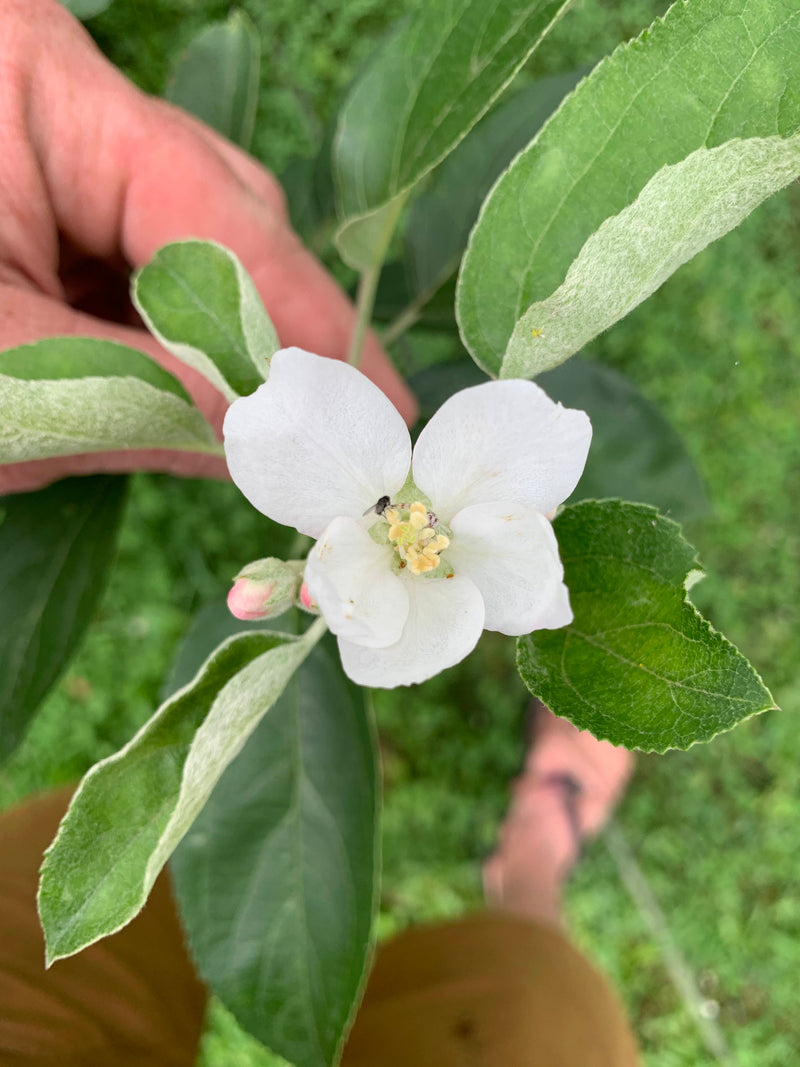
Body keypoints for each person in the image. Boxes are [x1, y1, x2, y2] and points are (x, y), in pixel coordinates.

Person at [0, 2, 641, 1063]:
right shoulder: (355, 537)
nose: (420, 535)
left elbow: (499, 559)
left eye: (419, 536)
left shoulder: (441, 532)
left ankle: (516, 872)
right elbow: (371, 588)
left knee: (93, 904)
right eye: (415, 535)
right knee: (540, 1023)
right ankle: (531, 872)